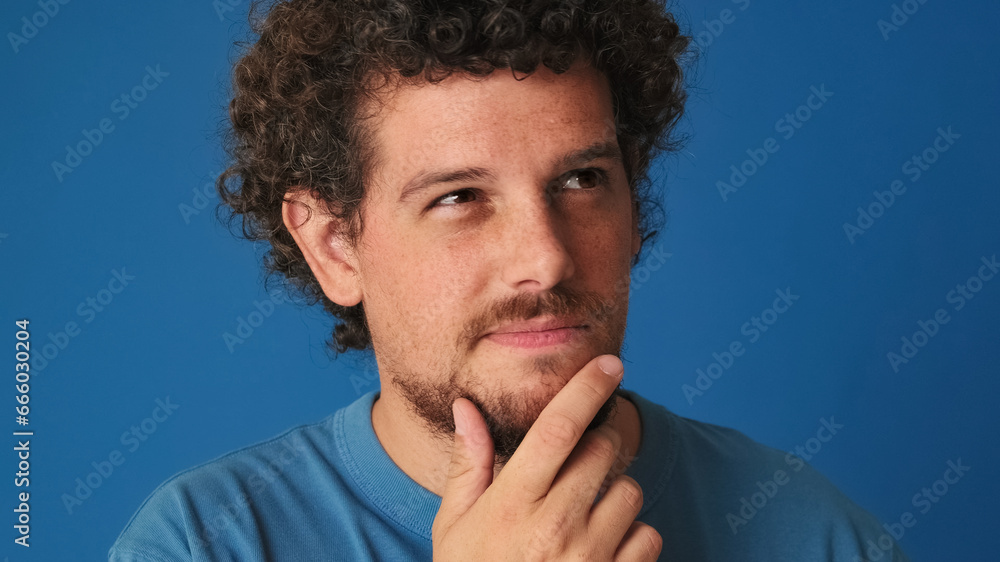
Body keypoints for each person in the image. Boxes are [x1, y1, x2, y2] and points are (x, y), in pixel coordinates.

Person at [110, 0, 909, 560]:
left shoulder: (816, 537)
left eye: (583, 181)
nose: (547, 258)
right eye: (459, 198)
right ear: (334, 247)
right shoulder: (203, 544)